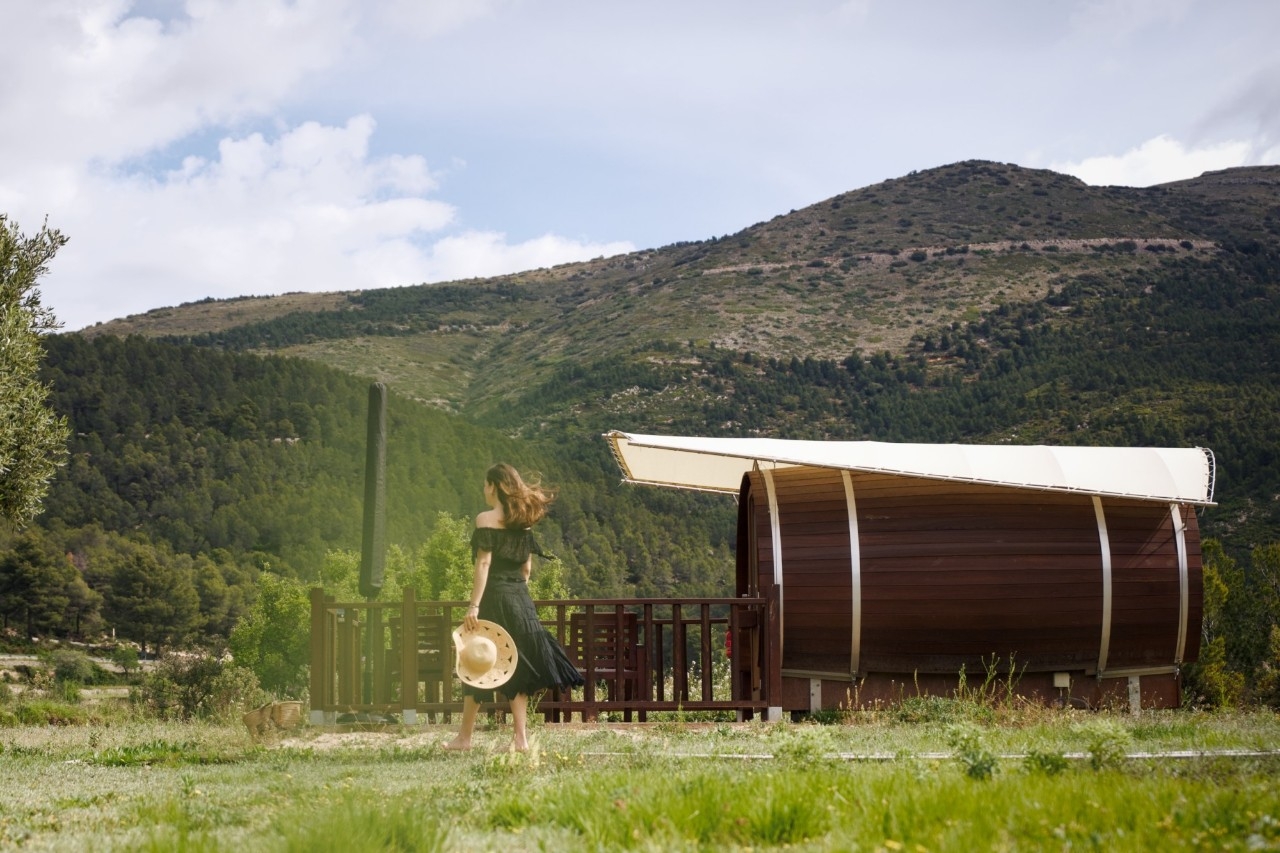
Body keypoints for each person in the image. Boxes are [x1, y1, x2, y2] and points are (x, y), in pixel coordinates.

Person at [444, 463, 584, 752]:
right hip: (520, 599)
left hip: (495, 596)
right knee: (514, 663)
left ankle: (464, 738)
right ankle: (520, 740)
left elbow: (483, 563)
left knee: (478, 660)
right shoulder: (524, 521)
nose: (483, 490)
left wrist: (474, 605)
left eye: (485, 484)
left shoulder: (485, 519)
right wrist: (516, 593)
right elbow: (526, 571)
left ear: (494, 486)